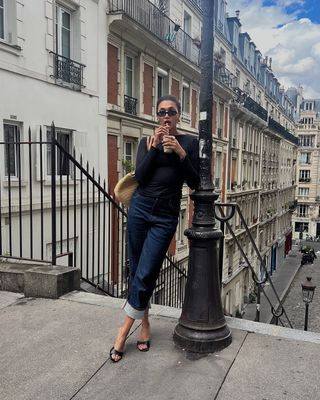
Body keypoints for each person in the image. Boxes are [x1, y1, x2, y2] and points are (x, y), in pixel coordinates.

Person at [110, 95, 200, 362]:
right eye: (161, 112)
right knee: (137, 268)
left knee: (148, 270)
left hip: (165, 215)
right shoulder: (146, 142)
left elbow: (195, 182)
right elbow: (141, 175)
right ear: (156, 116)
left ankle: (123, 330)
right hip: (140, 208)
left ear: (179, 116)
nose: (166, 117)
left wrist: (182, 154)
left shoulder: (190, 143)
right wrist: (153, 149)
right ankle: (145, 325)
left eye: (171, 112)